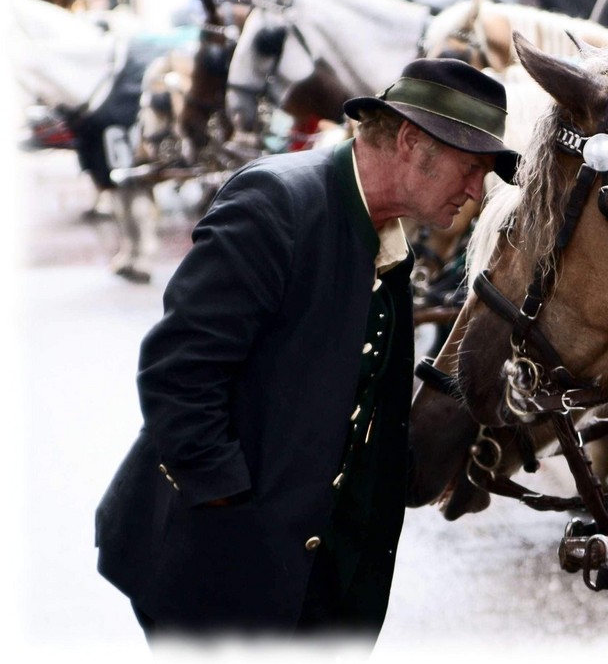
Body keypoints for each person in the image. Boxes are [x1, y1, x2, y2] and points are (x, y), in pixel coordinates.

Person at [94, 57, 518, 644]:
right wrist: (230, 511)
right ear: (409, 141)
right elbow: (178, 372)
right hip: (216, 574)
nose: (477, 191)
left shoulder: (389, 244)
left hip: (315, 587)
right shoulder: (276, 203)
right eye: (471, 168)